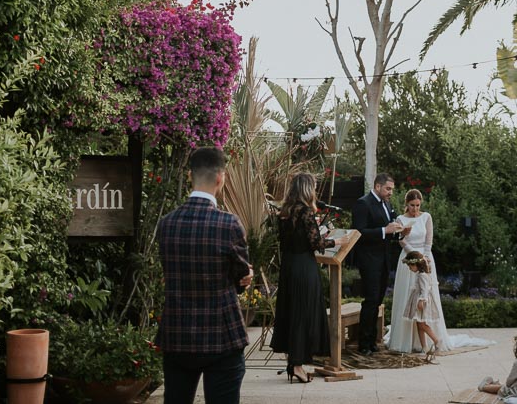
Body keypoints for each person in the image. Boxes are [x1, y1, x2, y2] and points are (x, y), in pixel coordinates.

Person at [156, 145, 254, 404]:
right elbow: (241, 274)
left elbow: (170, 270)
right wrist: (244, 278)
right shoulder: (229, 224)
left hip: (177, 334)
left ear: (190, 176)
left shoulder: (166, 224)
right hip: (221, 335)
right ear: (221, 177)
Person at [387, 188, 491, 353]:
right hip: (409, 258)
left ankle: (430, 339)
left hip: (425, 258)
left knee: (425, 292)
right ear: (406, 204)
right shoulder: (400, 219)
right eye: (412, 205)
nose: (415, 208)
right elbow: (401, 240)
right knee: (407, 295)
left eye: (417, 205)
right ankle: (405, 339)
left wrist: (424, 257)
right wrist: (413, 255)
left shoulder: (426, 217)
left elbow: (429, 239)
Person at [269, 173, 348, 383]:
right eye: (313, 186)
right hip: (304, 266)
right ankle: (297, 365)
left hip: (289, 266)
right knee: (304, 314)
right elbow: (315, 244)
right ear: (306, 189)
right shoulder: (305, 212)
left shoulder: (284, 212)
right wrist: (337, 241)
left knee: (293, 312)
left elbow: (288, 241)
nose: (315, 190)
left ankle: (294, 363)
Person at [351, 172, 408, 354]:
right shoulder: (363, 203)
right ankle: (364, 344)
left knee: (378, 301)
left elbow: (389, 228)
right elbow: (359, 232)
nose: (391, 192)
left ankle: (373, 341)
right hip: (369, 260)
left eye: (392, 189)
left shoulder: (387, 204)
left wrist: (400, 232)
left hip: (383, 260)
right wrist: (385, 230)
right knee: (371, 300)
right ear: (377, 187)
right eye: (388, 188)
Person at [399, 251, 441, 361]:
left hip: (421, 302)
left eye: (410, 266)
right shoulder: (420, 274)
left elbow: (425, 289)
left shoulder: (422, 275)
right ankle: (424, 348)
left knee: (422, 325)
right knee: (419, 325)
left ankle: (436, 340)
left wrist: (421, 300)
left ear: (416, 264)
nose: (409, 268)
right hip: (418, 300)